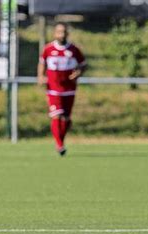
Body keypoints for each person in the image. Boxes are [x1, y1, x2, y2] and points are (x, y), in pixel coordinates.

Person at [38, 22, 86, 156]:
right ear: (54, 33)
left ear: (67, 34)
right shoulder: (48, 49)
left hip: (69, 89)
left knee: (65, 119)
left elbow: (83, 64)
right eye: (59, 32)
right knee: (56, 115)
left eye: (64, 32)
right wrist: (41, 76)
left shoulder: (73, 50)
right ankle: (59, 145)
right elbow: (42, 63)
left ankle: (61, 142)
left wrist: (79, 72)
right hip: (53, 88)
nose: (61, 34)